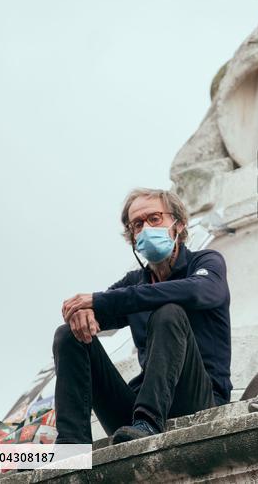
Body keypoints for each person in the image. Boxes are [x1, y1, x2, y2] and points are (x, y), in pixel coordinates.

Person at [54, 189, 231, 444]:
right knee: (69, 335)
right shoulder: (135, 282)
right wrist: (82, 313)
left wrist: (99, 300)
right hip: (135, 411)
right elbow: (104, 306)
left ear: (178, 224)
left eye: (155, 218)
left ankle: (149, 422)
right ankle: (71, 446)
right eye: (137, 224)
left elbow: (201, 290)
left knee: (169, 312)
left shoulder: (206, 262)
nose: (146, 228)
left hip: (199, 399)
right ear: (133, 237)